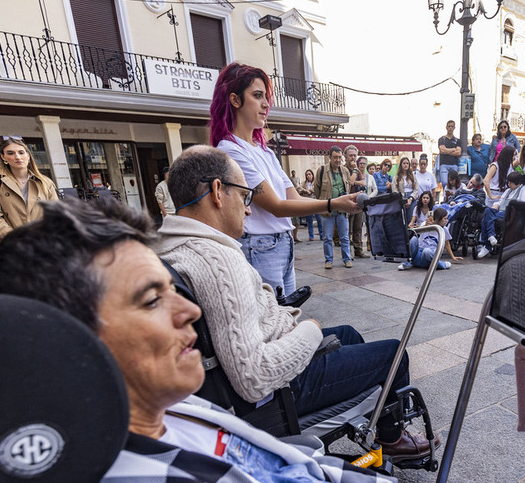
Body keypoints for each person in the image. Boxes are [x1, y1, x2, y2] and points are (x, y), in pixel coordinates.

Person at [0, 195, 525, 483]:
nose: (189, 311)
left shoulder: (175, 410)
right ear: (69, 346)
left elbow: (286, 461)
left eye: (172, 288)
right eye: (153, 299)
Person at [158, 146, 436, 462]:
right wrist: (308, 331)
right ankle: (394, 438)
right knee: (394, 354)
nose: (249, 210)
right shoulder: (217, 260)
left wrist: (282, 319)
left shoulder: (176, 245)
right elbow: (253, 377)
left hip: (254, 368)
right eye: (245, 196)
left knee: (347, 334)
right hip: (278, 392)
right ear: (218, 192)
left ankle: (379, 425)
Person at [211, 63, 359, 295]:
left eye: (266, 97)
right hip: (259, 246)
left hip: (282, 243)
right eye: (257, 95)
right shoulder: (231, 151)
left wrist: (339, 201)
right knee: (275, 321)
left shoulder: (266, 151)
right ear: (235, 100)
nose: (266, 104)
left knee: (286, 318)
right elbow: (277, 207)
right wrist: (333, 204)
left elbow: (294, 198)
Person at [0, 137, 58, 248]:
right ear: (3, 157)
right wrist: (16, 239)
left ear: (28, 155)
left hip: (42, 244)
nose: (17, 157)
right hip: (10, 244)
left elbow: (55, 215)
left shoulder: (45, 182)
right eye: (10, 153)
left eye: (21, 152)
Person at [314, 146, 353, 268]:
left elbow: (348, 188)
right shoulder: (321, 171)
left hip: (342, 209)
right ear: (329, 157)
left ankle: (347, 259)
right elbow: (317, 189)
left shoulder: (345, 171)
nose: (337, 160)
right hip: (327, 209)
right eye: (335, 157)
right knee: (327, 237)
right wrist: (322, 203)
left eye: (340, 157)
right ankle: (328, 261)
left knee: (345, 237)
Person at [398, 205, 462, 271]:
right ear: (439, 219)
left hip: (429, 256)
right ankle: (406, 263)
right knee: (414, 239)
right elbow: (416, 232)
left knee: (427, 251)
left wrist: (453, 257)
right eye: (445, 219)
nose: (446, 221)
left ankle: (442, 264)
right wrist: (426, 225)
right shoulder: (425, 224)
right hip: (418, 254)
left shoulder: (444, 229)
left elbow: (447, 244)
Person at [478, 145, 514, 258]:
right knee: (487, 217)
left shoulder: (511, 167)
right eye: (513, 155)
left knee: (492, 218)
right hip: (494, 193)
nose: (514, 157)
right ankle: (485, 242)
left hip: (504, 193)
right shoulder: (495, 165)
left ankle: (489, 242)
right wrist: (490, 195)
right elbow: (486, 180)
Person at [349, 155, 369, 257]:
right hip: (348, 202)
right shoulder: (345, 169)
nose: (362, 165)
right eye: (360, 163)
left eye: (363, 163)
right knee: (348, 229)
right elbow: (351, 182)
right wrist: (355, 174)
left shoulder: (359, 172)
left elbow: (363, 183)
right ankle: (348, 253)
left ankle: (358, 250)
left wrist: (355, 182)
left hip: (359, 202)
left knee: (358, 227)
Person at [394, 156, 419, 225]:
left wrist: (411, 198)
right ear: (401, 165)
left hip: (412, 197)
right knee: (402, 219)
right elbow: (394, 190)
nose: (405, 165)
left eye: (407, 163)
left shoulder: (412, 175)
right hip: (401, 198)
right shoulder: (396, 177)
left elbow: (416, 189)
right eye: (404, 163)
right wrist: (402, 199)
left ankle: (410, 234)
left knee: (411, 218)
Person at [437, 120, 462, 188]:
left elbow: (458, 152)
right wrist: (453, 149)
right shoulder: (442, 139)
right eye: (449, 126)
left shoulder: (457, 140)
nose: (450, 128)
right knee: (445, 183)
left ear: (454, 128)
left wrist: (447, 150)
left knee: (454, 184)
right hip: (444, 165)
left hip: (454, 165)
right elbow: (442, 150)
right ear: (446, 127)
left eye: (452, 126)